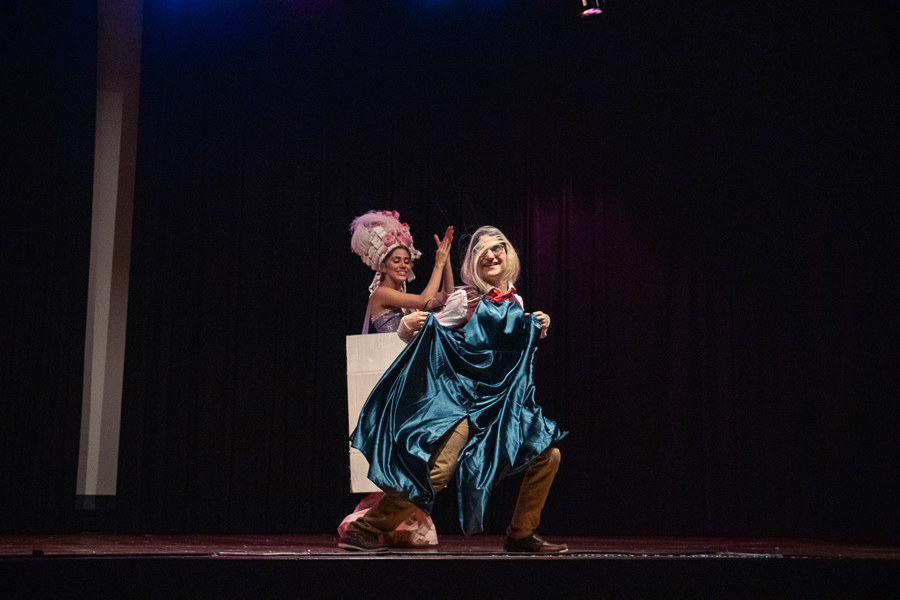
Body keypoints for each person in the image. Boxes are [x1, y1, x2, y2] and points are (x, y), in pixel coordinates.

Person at [340, 225, 567, 554]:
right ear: (473, 262)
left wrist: (537, 327)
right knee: (439, 471)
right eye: (482, 251)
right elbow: (430, 335)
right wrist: (406, 328)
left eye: (497, 248)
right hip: (466, 402)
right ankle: (365, 527)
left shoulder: (517, 302)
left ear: (509, 255)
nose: (491, 255)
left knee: (547, 455)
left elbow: (509, 352)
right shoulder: (464, 299)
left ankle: (521, 533)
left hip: (502, 404)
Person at [338, 210, 455, 548]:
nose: (403, 265)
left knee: (409, 456)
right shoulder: (380, 296)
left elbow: (443, 301)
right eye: (396, 260)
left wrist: (446, 261)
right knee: (394, 456)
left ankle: (392, 517)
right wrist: (437, 265)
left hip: (407, 386)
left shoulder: (405, 304)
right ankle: (374, 521)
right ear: (383, 265)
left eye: (406, 260)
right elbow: (424, 300)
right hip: (389, 388)